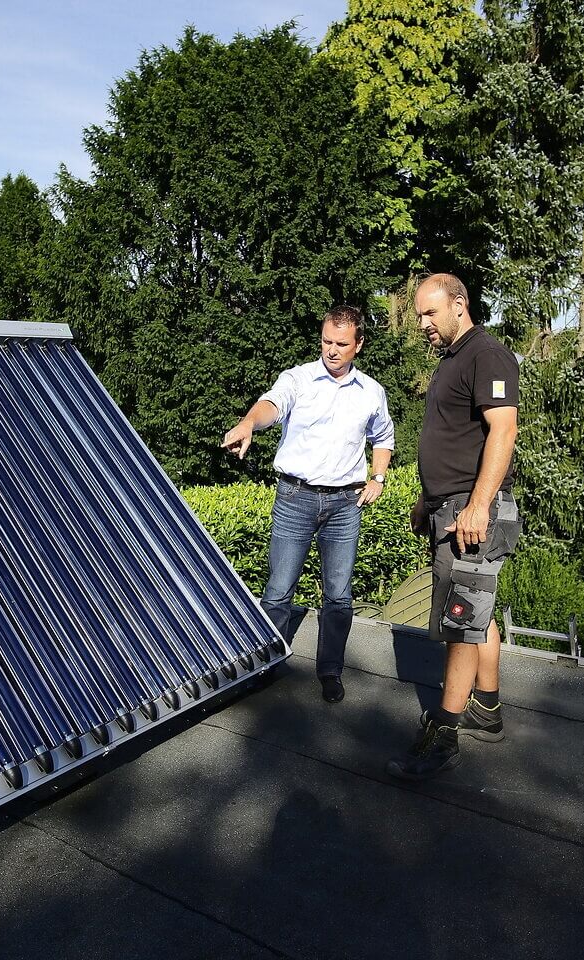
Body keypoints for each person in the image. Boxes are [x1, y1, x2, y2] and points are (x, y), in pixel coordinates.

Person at [222, 305, 395, 703]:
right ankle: (267, 664)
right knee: (279, 590)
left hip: (345, 505)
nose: (332, 350)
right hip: (295, 498)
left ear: (359, 345)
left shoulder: (371, 392)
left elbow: (383, 437)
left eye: (341, 344)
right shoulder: (298, 379)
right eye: (326, 341)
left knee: (338, 594)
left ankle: (330, 671)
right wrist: (249, 422)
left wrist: (378, 478)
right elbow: (272, 404)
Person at [387, 273, 520, 780]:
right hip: (451, 506)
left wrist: (478, 505)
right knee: (477, 611)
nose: (422, 324)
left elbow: (503, 430)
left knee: (463, 617)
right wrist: (429, 499)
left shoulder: (486, 354)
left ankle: (443, 733)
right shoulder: (453, 361)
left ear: (459, 305)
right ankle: (486, 708)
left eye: (429, 313)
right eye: (419, 315)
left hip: (473, 511)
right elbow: (452, 439)